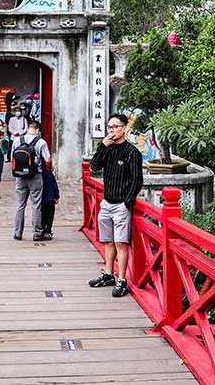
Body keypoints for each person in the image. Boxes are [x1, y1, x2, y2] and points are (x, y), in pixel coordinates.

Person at [87, 113, 143, 298]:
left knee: (120, 243)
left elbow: (137, 180)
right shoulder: (108, 149)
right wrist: (102, 146)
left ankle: (122, 279)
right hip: (106, 202)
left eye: (116, 127)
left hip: (121, 205)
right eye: (109, 127)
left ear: (125, 128)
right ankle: (109, 274)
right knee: (108, 241)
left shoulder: (132, 152)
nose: (112, 130)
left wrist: (127, 203)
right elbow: (93, 167)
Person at [12, 120, 50, 242]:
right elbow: (48, 160)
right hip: (35, 176)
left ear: (28, 128)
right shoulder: (41, 142)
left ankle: (17, 233)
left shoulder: (17, 140)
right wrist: (50, 167)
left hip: (19, 176)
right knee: (36, 205)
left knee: (20, 205)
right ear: (38, 130)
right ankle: (37, 233)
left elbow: (13, 156)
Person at [40, 150, 59, 240]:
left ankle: (42, 230)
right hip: (50, 198)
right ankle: (47, 231)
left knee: (42, 215)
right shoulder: (49, 174)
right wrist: (57, 196)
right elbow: (54, 185)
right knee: (49, 216)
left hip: (41, 198)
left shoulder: (39, 174)